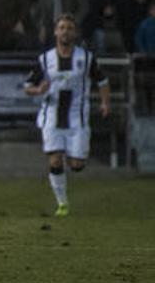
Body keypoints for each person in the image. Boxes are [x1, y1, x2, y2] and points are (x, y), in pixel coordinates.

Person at [23, 14, 110, 217]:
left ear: (75, 33)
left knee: (76, 165)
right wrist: (37, 90)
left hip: (77, 116)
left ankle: (76, 161)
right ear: (55, 32)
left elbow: (102, 81)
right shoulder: (45, 59)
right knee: (55, 160)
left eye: (69, 28)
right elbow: (27, 86)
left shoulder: (85, 58)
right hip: (51, 116)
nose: (65, 31)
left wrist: (105, 102)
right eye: (61, 27)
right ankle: (62, 204)